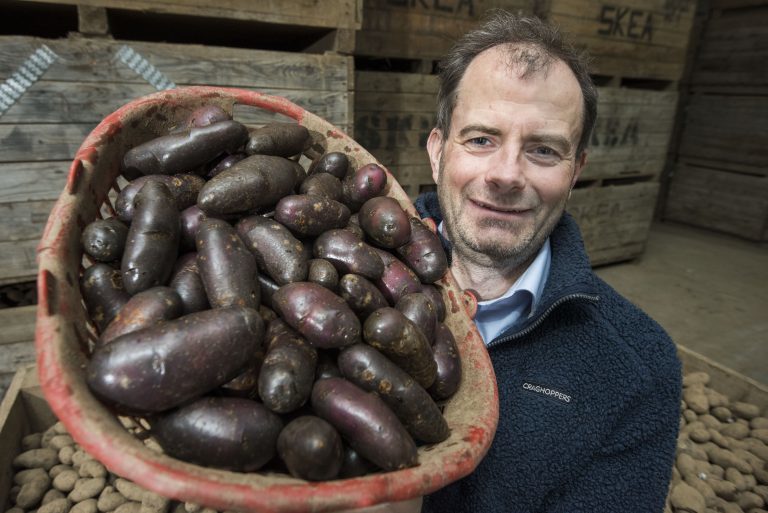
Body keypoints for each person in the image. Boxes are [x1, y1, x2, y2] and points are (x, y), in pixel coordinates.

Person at [405, 10, 681, 513]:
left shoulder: (641, 366)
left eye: (544, 150)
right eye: (481, 139)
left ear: (576, 172)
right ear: (437, 151)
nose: (507, 174)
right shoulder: (338, 279)